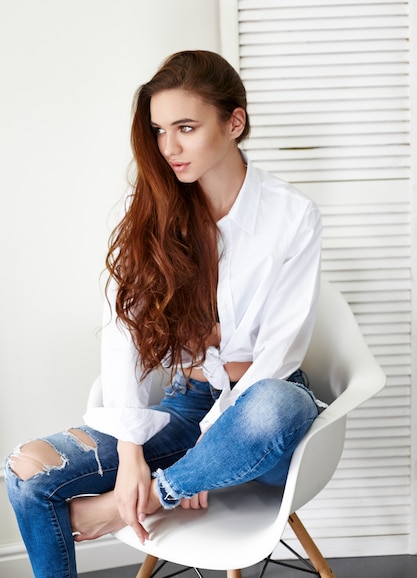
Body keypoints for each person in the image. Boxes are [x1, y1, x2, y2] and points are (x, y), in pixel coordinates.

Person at [5, 50, 324, 578]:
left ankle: (158, 496)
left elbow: (276, 356)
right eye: (158, 130)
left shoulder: (292, 217)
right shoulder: (156, 209)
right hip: (188, 401)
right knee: (25, 471)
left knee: (274, 403)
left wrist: (185, 470)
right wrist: (132, 451)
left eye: (186, 127)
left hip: (257, 419)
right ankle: (172, 478)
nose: (169, 147)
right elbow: (122, 332)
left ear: (234, 121)